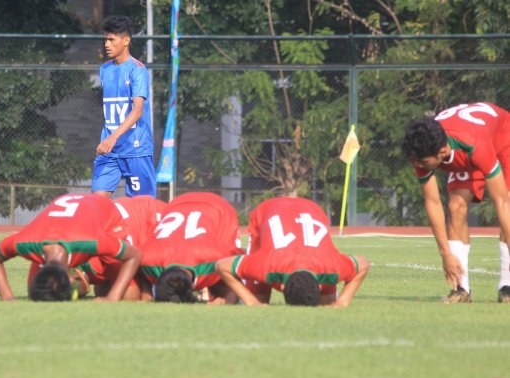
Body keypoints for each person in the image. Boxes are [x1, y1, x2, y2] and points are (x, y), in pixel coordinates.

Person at [402, 102, 510, 303]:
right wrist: (446, 254)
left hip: (503, 138)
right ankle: (462, 289)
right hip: (466, 146)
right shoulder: (425, 149)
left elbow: (502, 202)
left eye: (423, 163)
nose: (418, 167)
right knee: (455, 207)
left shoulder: (474, 144)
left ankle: (507, 285)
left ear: (442, 152)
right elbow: (433, 202)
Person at [215, 197, 370, 307]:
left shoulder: (331, 269)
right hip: (268, 211)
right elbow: (222, 266)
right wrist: (251, 301)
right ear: (281, 286)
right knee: (260, 299)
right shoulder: (265, 265)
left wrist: (343, 302)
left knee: (327, 306)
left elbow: (363, 265)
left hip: (311, 210)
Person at [0, 193, 141, 302]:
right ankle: (85, 281)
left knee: (128, 296)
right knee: (39, 292)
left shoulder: (90, 241)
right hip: (66, 214)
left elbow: (134, 255)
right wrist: (7, 297)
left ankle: (87, 279)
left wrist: (113, 297)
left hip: (105, 211)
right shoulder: (26, 242)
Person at [138, 192, 244, 303]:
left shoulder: (213, 257)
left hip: (218, 207)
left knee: (222, 280)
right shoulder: (147, 259)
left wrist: (226, 299)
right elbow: (136, 264)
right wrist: (147, 294)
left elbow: (238, 260)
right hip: (176, 204)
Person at [93, 15, 156, 198]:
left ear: (126, 40)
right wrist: (108, 140)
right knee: (97, 203)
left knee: (141, 208)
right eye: (105, 39)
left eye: (112, 39)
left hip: (135, 150)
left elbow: (138, 110)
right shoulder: (105, 69)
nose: (107, 44)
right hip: (109, 150)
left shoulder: (138, 70)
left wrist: (113, 137)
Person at [74, 195, 166, 300]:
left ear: (77, 277)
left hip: (156, 217)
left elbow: (130, 296)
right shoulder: (77, 252)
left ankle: (149, 291)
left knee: (125, 294)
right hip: (136, 216)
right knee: (103, 290)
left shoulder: (104, 256)